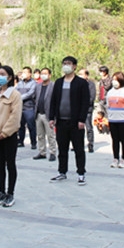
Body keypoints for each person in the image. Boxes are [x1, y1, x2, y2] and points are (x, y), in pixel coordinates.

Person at [49, 56, 90, 185]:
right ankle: (62, 171)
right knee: (62, 148)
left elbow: (85, 102)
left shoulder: (81, 83)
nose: (66, 65)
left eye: (69, 63)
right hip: (61, 121)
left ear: (74, 66)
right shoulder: (59, 82)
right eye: (64, 63)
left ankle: (81, 173)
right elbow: (53, 101)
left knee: (78, 149)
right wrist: (51, 117)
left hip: (76, 122)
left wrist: (82, 119)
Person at [0, 66, 22, 207]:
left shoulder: (15, 95)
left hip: (9, 136)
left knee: (10, 164)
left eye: (3, 74)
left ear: (10, 77)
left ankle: (10, 193)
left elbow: (15, 116)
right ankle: (1, 191)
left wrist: (4, 133)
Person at [33, 68, 56, 161]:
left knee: (50, 135)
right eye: (42, 73)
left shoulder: (53, 86)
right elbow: (34, 97)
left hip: (48, 114)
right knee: (40, 135)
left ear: (50, 75)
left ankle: (52, 152)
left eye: (45, 73)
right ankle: (42, 152)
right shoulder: (38, 86)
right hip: (38, 114)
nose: (43, 75)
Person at [16, 66, 37, 149]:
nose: (23, 74)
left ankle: (33, 143)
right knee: (20, 126)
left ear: (30, 74)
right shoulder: (20, 83)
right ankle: (21, 141)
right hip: (20, 107)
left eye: (25, 72)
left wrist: (19, 98)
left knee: (31, 126)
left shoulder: (33, 83)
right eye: (23, 72)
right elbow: (16, 91)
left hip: (29, 108)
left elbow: (30, 94)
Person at [78, 69, 97, 152]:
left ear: (86, 75)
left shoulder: (91, 84)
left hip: (87, 110)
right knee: (78, 128)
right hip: (78, 110)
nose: (80, 76)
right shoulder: (77, 84)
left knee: (88, 127)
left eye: (82, 74)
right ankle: (79, 145)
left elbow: (91, 98)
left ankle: (90, 144)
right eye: (79, 74)